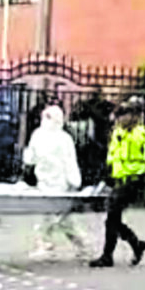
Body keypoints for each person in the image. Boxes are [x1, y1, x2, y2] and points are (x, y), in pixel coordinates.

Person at [91, 100, 145, 268]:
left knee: (112, 217)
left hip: (134, 180)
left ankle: (108, 256)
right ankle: (136, 245)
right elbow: (112, 156)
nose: (121, 119)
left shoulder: (142, 135)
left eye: (125, 115)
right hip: (119, 180)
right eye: (120, 115)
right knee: (112, 220)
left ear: (134, 117)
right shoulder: (117, 133)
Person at [23, 105, 90, 262]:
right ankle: (80, 245)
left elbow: (30, 159)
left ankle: (49, 246)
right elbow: (70, 161)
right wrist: (74, 181)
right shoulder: (62, 137)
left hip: (53, 183)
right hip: (55, 183)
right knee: (57, 218)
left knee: (54, 218)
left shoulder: (40, 135)